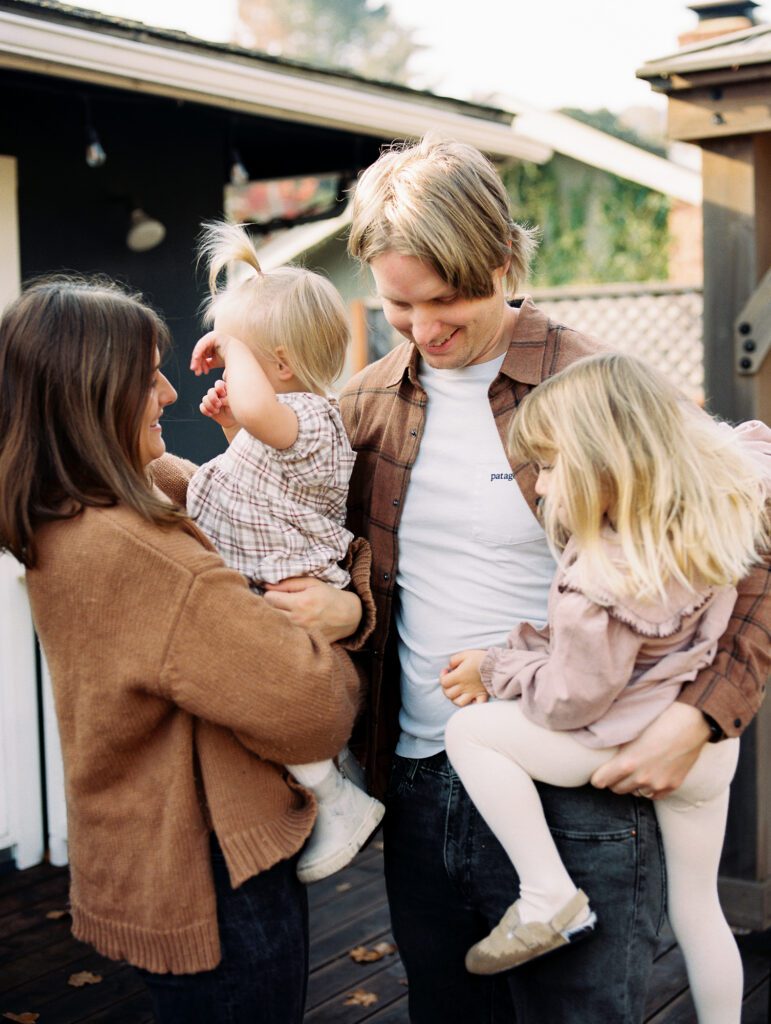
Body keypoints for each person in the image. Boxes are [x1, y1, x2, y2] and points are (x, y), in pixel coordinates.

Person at [332, 136, 771, 1023]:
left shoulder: (605, 385)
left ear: (501, 262)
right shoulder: (364, 405)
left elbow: (748, 546)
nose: (423, 330)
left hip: (581, 785)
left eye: (446, 300)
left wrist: (698, 714)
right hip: (418, 781)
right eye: (395, 305)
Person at [0, 276, 373, 1024]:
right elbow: (311, 709)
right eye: (146, 378)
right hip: (215, 871)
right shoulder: (141, 556)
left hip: (150, 847)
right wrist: (344, 614)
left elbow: (203, 496)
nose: (169, 394)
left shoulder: (68, 510)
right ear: (91, 392)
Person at [440, 353, 770, 1024]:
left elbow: (569, 699)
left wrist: (498, 668)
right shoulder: (724, 498)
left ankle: (545, 893)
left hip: (613, 741)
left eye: (554, 466)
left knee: (468, 733)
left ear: (605, 462)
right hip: (707, 749)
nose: (540, 487)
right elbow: (750, 447)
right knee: (699, 909)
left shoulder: (597, 578)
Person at [186, 222, 384, 884]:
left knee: (250, 689)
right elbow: (254, 488)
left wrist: (236, 370)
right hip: (268, 576)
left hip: (284, 590)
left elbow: (262, 422)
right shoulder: (286, 423)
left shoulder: (314, 419)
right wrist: (230, 429)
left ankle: (337, 800)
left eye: (239, 353)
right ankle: (331, 780)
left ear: (278, 365)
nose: (224, 361)